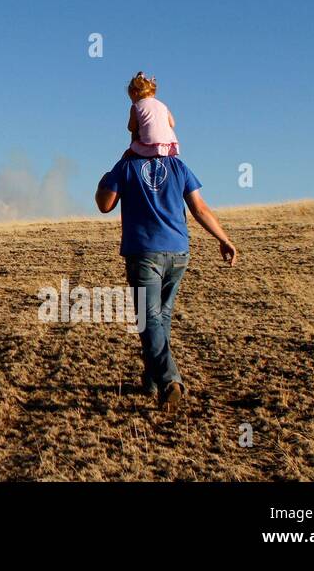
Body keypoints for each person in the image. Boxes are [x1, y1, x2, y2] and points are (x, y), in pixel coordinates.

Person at [95, 146, 238, 410]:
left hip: (145, 253)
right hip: (178, 253)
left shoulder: (126, 166)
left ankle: (169, 378)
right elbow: (200, 208)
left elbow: (105, 205)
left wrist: (108, 176)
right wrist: (224, 239)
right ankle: (152, 380)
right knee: (160, 317)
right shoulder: (178, 166)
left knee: (148, 319)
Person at [124, 71, 179, 158]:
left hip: (148, 146)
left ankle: (125, 164)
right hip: (168, 147)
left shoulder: (136, 106)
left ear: (134, 93)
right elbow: (172, 124)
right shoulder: (163, 105)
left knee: (134, 135)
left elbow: (131, 128)